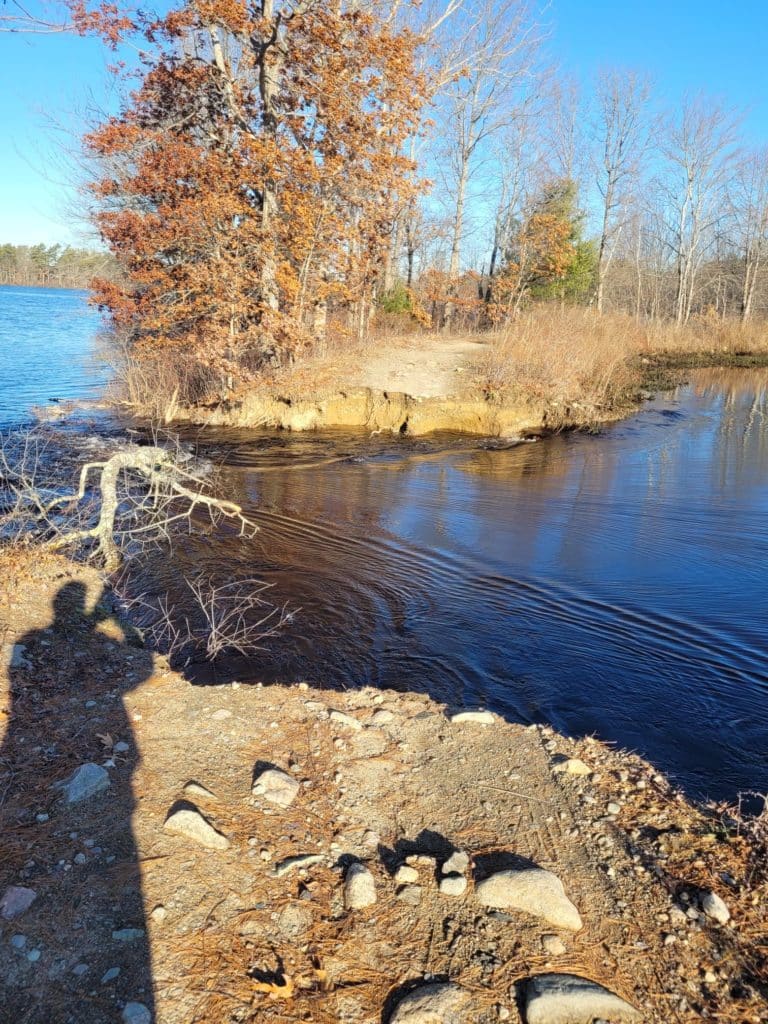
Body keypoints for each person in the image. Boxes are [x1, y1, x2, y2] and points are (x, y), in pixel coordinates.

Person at [0, 581, 155, 1023]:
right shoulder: (46, 641)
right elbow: (143, 670)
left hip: (26, 735)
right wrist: (124, 627)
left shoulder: (29, 640)